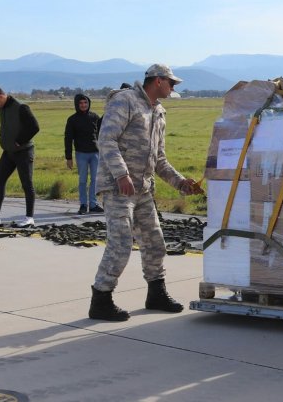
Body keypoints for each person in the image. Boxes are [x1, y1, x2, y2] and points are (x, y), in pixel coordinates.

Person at [89, 64, 204, 322]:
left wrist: (180, 183)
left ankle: (156, 293)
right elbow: (106, 140)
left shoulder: (158, 112)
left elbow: (159, 159)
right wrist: (121, 174)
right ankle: (101, 299)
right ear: (158, 81)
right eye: (171, 83)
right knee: (120, 244)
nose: (173, 88)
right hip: (117, 187)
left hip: (142, 189)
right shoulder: (125, 101)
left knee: (154, 242)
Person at [0, 86, 40, 227]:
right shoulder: (2, 107)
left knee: (27, 183)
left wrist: (19, 141)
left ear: (1, 96)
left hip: (24, 151)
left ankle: (29, 217)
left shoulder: (21, 107)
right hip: (8, 152)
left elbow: (35, 127)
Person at [65, 94, 104, 215]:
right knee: (82, 180)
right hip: (81, 154)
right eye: (81, 103)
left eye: (85, 103)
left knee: (94, 180)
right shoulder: (72, 120)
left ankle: (93, 204)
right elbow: (68, 139)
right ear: (77, 104)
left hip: (95, 153)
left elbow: (102, 132)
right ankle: (83, 204)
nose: (83, 105)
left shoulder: (94, 117)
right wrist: (69, 157)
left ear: (89, 103)